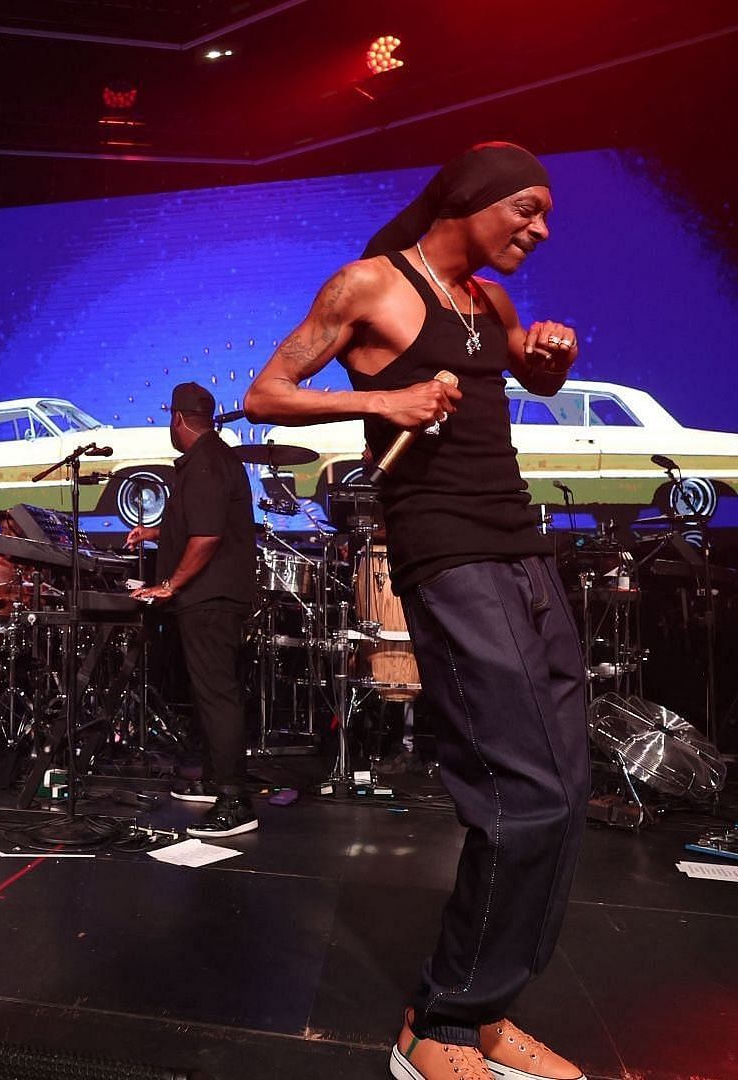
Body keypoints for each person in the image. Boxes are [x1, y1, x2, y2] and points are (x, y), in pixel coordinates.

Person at [242, 143, 588, 1080]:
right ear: (471, 200)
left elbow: (526, 375)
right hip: (451, 557)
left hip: (523, 548)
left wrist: (550, 358)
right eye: (528, 208)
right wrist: (384, 398)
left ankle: (484, 1014)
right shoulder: (369, 287)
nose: (541, 229)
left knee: (566, 790)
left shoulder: (491, 300)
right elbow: (263, 394)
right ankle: (435, 1026)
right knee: (525, 792)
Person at [126, 382, 260, 838]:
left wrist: (168, 585)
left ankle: (234, 800)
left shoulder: (203, 464)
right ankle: (213, 777)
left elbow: (206, 538)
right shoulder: (218, 458)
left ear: (177, 420)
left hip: (210, 598)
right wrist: (154, 537)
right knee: (208, 692)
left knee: (217, 694)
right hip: (215, 597)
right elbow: (196, 527)